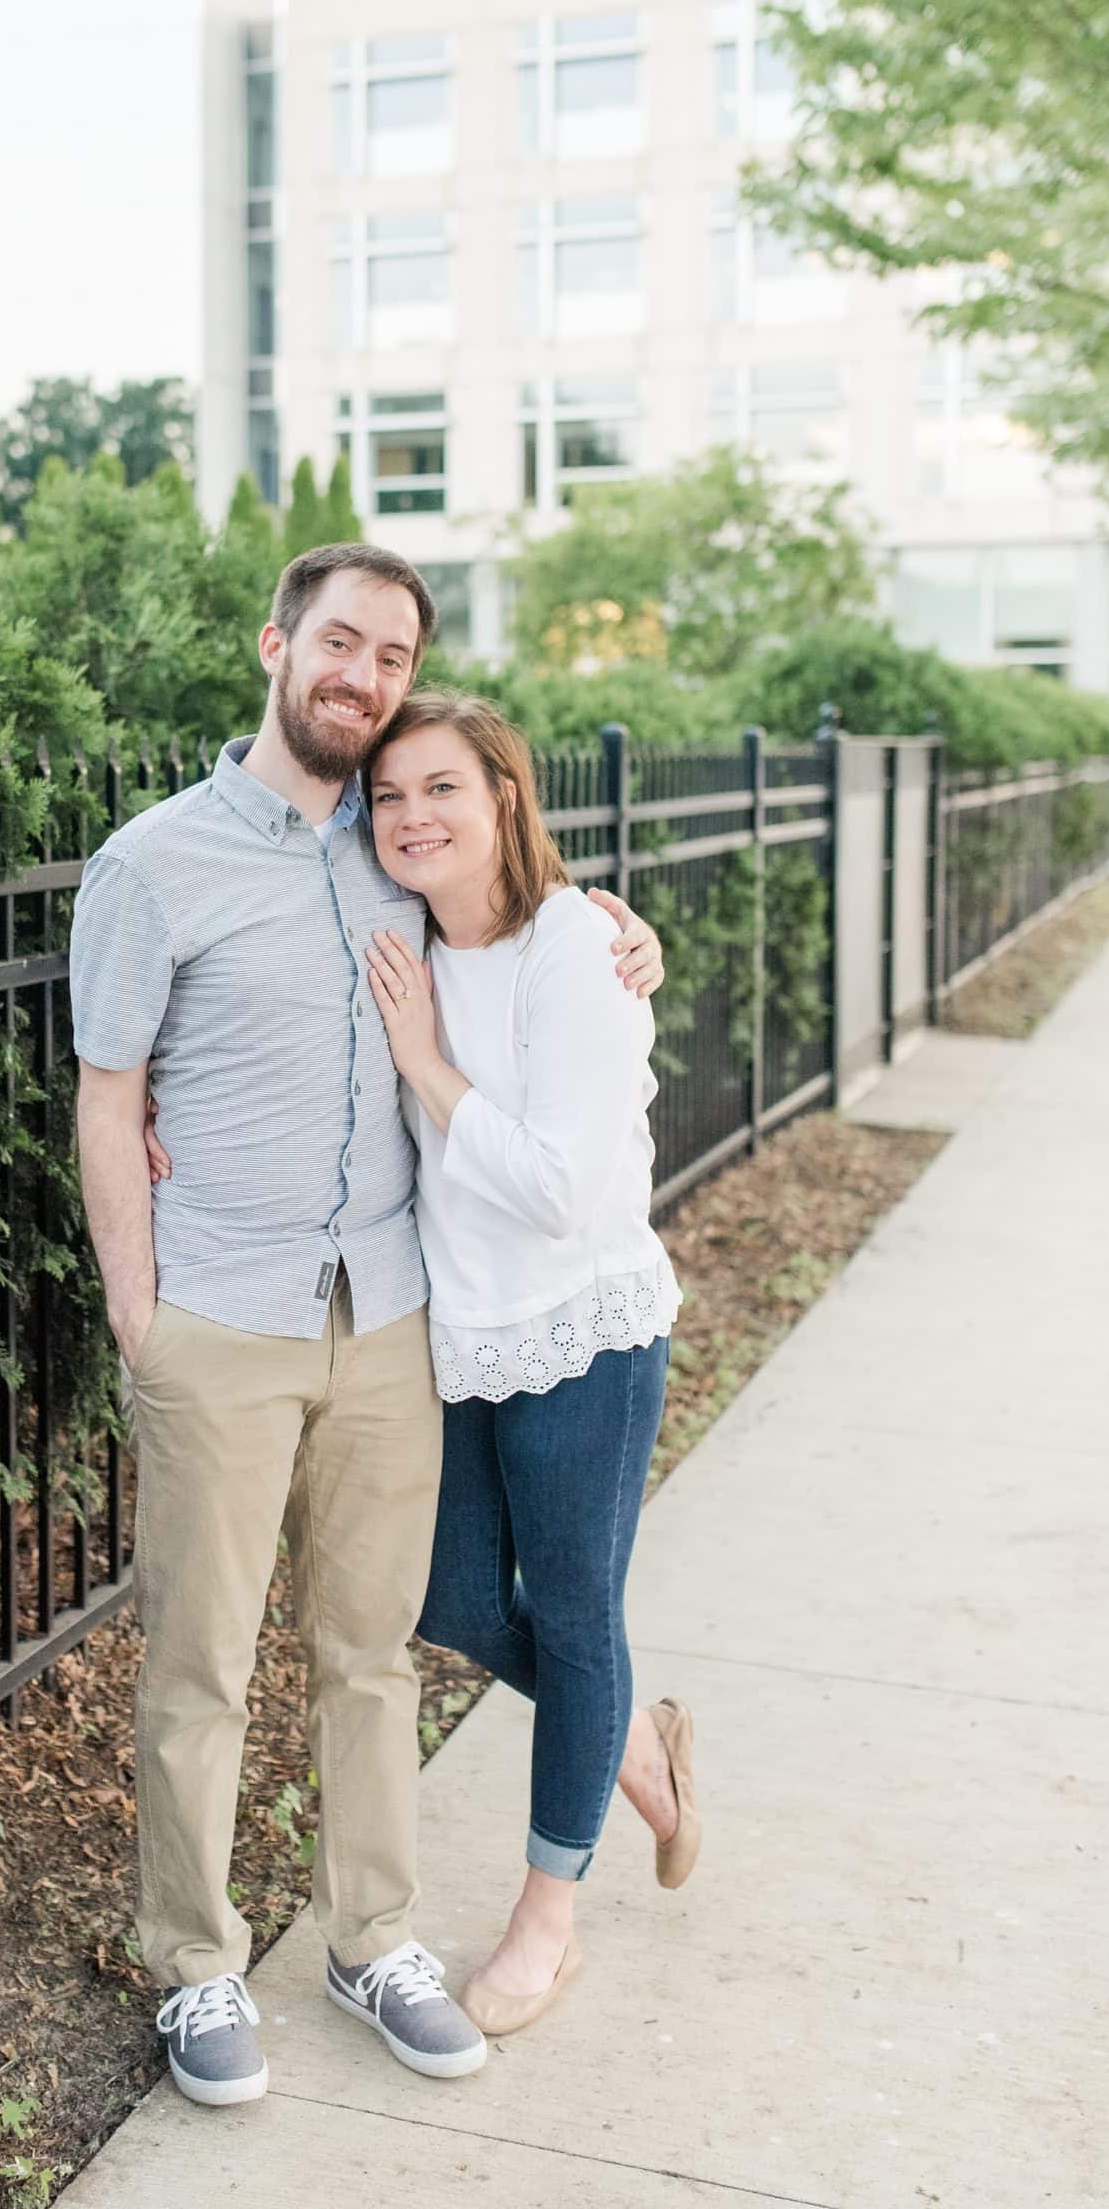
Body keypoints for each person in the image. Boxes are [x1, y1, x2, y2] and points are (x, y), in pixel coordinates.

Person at [68, 545, 665, 2107]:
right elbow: (110, 1090)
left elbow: (518, 910)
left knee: (374, 1654)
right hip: (223, 1315)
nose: (363, 673)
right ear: (275, 643)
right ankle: (196, 1965)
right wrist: (141, 1316)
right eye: (341, 640)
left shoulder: (396, 848)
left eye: (392, 653)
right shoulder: (152, 864)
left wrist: (622, 927)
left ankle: (369, 1935)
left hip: (390, 1312)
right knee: (200, 1662)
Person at [361, 688, 701, 2041]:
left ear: (505, 792)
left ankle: (546, 1921)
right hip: (460, 1338)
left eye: (442, 787)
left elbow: (560, 1190)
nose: (411, 817)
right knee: (449, 1596)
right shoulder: (397, 937)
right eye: (389, 797)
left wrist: (427, 1067)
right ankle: (627, 1741)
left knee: (571, 1612)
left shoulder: (579, 946)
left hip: (582, 1327)